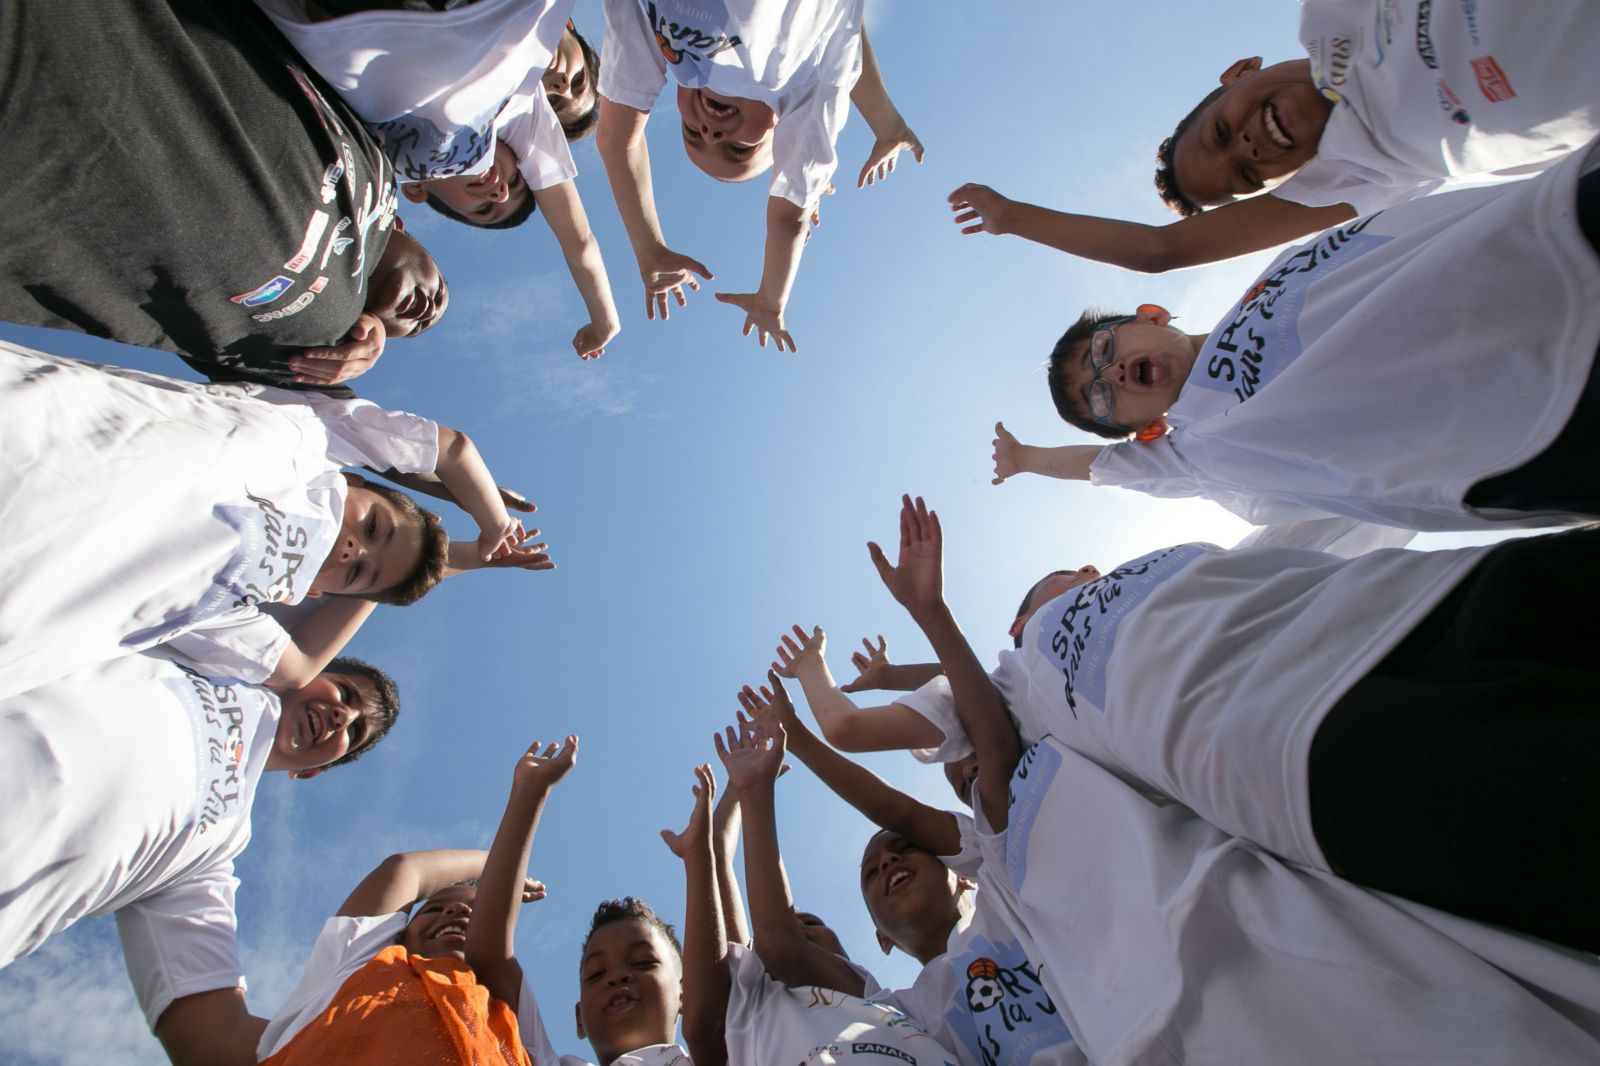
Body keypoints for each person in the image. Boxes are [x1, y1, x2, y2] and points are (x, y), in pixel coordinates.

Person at [839, 495, 1600, 1064]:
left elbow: (1332, 512)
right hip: (1308, 784)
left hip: (1407, 614)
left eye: (1073, 580)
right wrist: (863, 685)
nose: (1069, 588)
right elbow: (964, 715)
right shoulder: (1035, 712)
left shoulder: (1178, 567)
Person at [992, 136, 1600, 532]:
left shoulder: (1277, 271)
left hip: (1553, 232)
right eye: (1102, 398)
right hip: (1553, 411)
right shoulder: (1200, 446)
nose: (1112, 374)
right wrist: (1026, 459)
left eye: (1103, 351)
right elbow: (1100, 464)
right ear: (1146, 431)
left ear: (1151, 316)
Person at [0, 342, 538, 700]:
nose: (355, 551)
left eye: (358, 574)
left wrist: (461, 562)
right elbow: (451, 450)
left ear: (321, 592)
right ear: (358, 482)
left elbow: (299, 667)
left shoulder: (234, 610)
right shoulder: (312, 437)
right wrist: (490, 527)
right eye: (373, 527)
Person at [0, 0, 454, 392]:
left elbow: (353, 440)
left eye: (414, 331)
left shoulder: (316, 355)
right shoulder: (376, 154)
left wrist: (352, 350)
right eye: (442, 293)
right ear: (401, 225)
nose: (426, 314)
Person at [948, 0, 1599, 273]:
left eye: (1221, 132)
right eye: (1247, 178)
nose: (1247, 151)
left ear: (1238, 73)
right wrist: (1011, 217)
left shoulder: (1331, 16)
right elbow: (1157, 250)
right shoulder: (1360, 167)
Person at [0, 650, 400, 1066]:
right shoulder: (199, 650)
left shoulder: (216, 848)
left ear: (311, 772)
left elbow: (213, 1040)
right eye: (345, 693)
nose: (344, 718)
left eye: (355, 735)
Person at [739, 673, 1079, 1066]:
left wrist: (796, 736)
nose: (887, 862)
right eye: (871, 874)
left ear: (963, 876)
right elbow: (783, 949)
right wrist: (754, 791)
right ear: (882, 939)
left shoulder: (1008, 889)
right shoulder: (900, 1015)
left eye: (907, 848)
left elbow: (897, 810)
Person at [256, 1, 623, 360]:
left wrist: (367, 327)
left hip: (331, 28)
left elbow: (347, 239)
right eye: (516, 181)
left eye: (484, 209)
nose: (498, 190)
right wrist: (605, 318)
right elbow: (579, 240)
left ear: (414, 190)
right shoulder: (522, 111)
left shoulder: (378, 164)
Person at [596, 0, 922, 351]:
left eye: (691, 133)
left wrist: (648, 248)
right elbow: (845, 29)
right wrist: (771, 300)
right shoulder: (801, 87)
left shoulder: (665, 42)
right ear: (785, 138)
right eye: (738, 150)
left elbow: (617, 140)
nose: (710, 134)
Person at [236, 737, 580, 1065]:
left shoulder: (515, 1022)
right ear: (400, 934)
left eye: (476, 912)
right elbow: (405, 870)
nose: (458, 911)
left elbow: (493, 947)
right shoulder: (358, 963)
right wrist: (495, 867)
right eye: (434, 909)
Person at [676, 710, 962, 1066]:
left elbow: (782, 942)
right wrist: (743, 791)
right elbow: (724, 870)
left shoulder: (883, 1002)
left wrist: (751, 791)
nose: (797, 928)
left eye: (811, 923)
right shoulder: (752, 1010)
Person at [570, 897, 694, 1066]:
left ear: (684, 992)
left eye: (642, 962)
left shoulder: (718, 1056)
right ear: (579, 1018)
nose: (617, 976)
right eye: (596, 974)